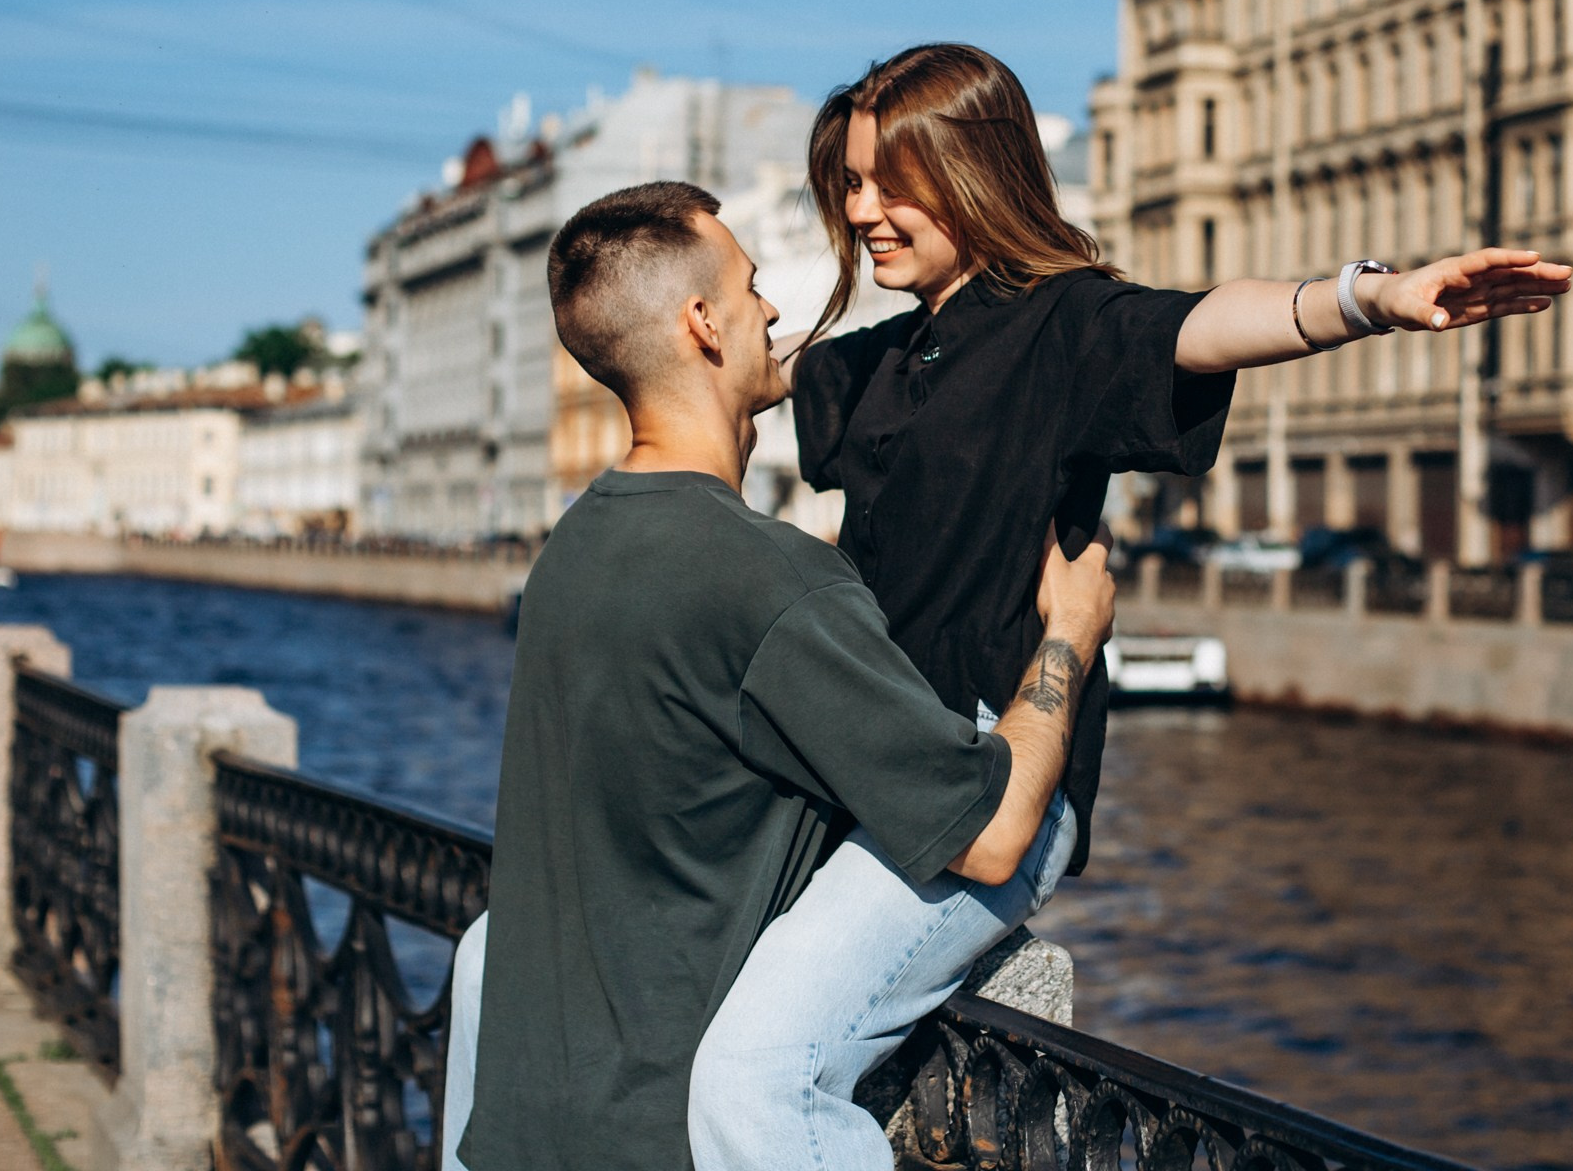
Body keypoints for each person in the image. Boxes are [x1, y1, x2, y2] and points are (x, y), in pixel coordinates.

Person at [679, 43, 1571, 1169]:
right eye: (849, 184)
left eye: (890, 181)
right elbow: (713, 372)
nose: (863, 211)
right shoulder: (881, 360)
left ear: (974, 171)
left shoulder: (1067, 326)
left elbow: (1205, 322)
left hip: (992, 778)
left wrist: (1374, 297)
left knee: (756, 1075)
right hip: (863, 770)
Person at [455, 181, 1116, 1171]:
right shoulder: (765, 577)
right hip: (662, 1141)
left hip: (523, 1133)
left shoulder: (574, 549)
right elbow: (989, 836)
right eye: (752, 286)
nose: (771, 311)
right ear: (702, 323)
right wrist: (1069, 633)